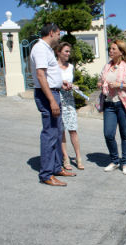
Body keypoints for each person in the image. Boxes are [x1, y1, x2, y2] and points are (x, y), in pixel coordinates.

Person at [31, 23, 76, 187]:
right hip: (47, 95)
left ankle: (57, 168)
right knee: (50, 134)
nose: (59, 37)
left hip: (53, 91)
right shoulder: (40, 49)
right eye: (58, 34)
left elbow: (48, 75)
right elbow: (40, 75)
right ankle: (46, 174)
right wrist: (51, 100)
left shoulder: (46, 49)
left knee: (57, 133)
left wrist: (59, 83)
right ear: (51, 33)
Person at [98, 40, 126, 175]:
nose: (110, 51)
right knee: (108, 134)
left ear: (121, 52)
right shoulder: (106, 67)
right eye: (109, 49)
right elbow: (100, 80)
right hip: (109, 104)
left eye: (113, 49)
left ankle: (125, 162)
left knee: (125, 134)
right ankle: (115, 160)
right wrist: (101, 84)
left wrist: (119, 85)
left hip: (124, 104)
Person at [55, 42, 84, 170]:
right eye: (66, 51)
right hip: (58, 99)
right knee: (61, 130)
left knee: (73, 129)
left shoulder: (71, 66)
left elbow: (74, 82)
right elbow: (51, 83)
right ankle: (65, 158)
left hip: (69, 100)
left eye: (69, 51)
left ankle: (78, 158)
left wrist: (74, 86)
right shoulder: (53, 67)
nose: (68, 54)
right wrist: (61, 84)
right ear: (58, 52)